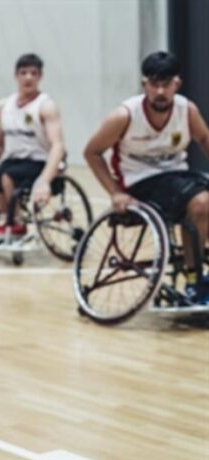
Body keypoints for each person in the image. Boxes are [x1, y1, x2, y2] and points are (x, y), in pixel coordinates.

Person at [83, 50, 209, 303]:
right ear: (144, 85)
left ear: (177, 84)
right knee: (202, 204)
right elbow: (92, 152)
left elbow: (205, 139)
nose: (160, 91)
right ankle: (195, 280)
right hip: (139, 183)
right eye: (154, 84)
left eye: (166, 84)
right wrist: (115, 192)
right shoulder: (125, 115)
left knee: (201, 202)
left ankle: (195, 263)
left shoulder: (187, 110)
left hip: (178, 178)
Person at [0, 53, 66, 238]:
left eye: (34, 73)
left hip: (41, 161)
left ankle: (16, 222)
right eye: (24, 72)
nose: (28, 77)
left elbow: (57, 146)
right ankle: (6, 218)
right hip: (15, 160)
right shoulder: (4, 106)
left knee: (6, 175)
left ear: (40, 77)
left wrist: (45, 180)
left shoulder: (46, 106)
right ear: (16, 76)